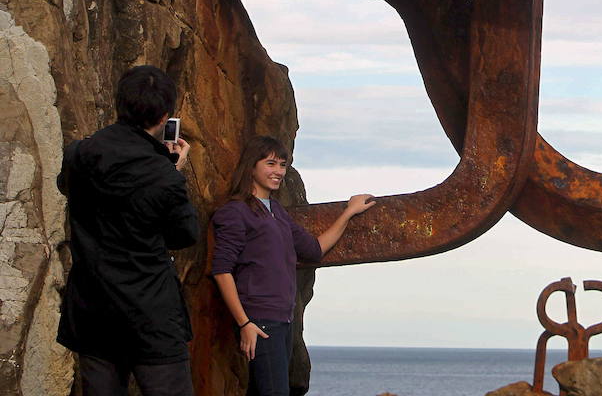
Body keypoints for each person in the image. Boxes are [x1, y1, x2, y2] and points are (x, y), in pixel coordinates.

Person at [57, 65, 198, 396]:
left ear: (120, 104)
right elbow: (184, 235)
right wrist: (173, 171)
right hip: (151, 315)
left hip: (93, 309)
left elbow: (66, 185)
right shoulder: (163, 176)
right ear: (165, 115)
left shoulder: (79, 153)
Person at [211, 135, 375, 396]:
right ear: (252, 166)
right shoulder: (236, 212)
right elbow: (221, 271)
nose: (278, 171)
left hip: (283, 319)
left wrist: (348, 212)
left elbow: (314, 249)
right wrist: (244, 323)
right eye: (271, 163)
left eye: (283, 165)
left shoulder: (277, 211)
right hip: (260, 322)